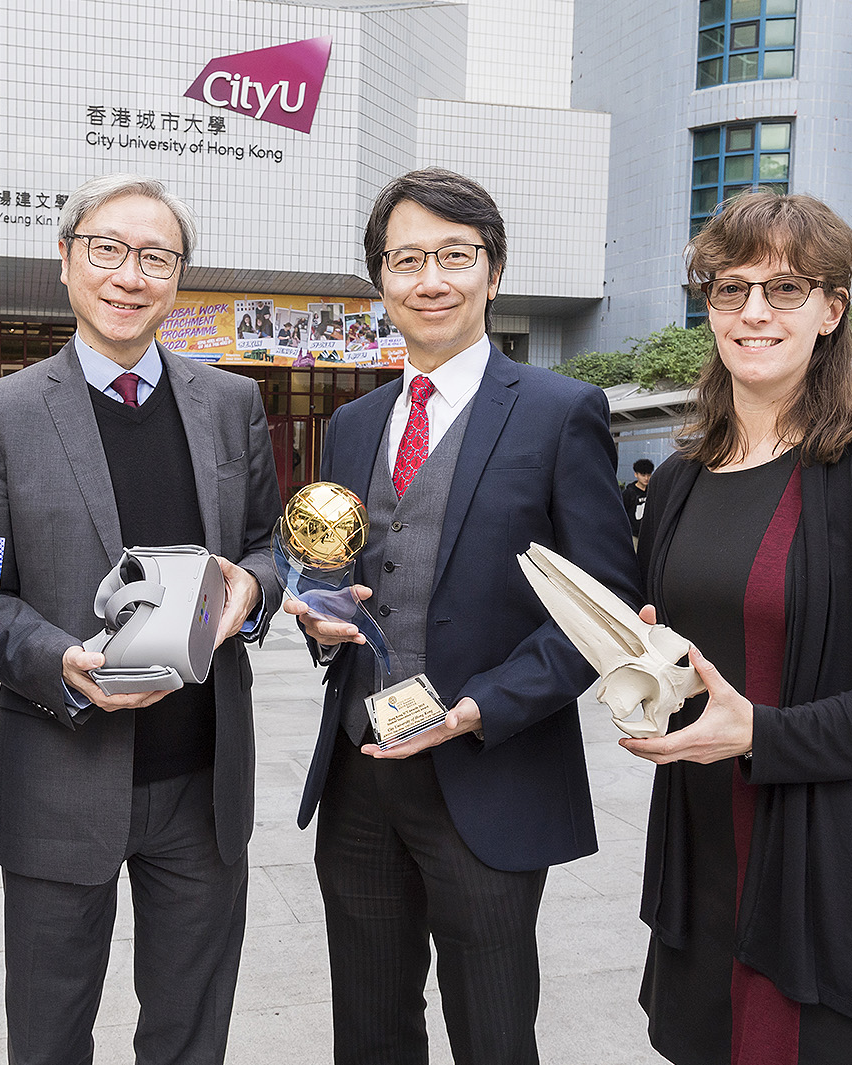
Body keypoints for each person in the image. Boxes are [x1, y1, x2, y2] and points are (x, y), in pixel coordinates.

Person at [286, 167, 641, 1064]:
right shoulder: (355, 422)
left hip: (491, 768)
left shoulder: (562, 412)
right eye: (407, 259)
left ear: (493, 271)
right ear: (381, 282)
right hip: (361, 772)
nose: (430, 278)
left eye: (454, 255)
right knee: (367, 1025)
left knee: (491, 1029)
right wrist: (315, 611)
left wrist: (485, 705)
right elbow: (337, 571)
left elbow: (602, 610)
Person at [624, 191, 852, 1064]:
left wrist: (765, 734)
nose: (752, 311)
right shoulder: (679, 478)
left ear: (831, 309)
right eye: (729, 287)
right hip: (702, 842)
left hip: (831, 860)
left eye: (785, 289)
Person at [0, 174, 282, 1065]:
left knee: (189, 1033)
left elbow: (265, 545)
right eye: (108, 249)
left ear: (179, 277)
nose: (130, 275)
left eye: (156, 257)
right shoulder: (1, 413)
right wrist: (57, 658)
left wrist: (250, 593)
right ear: (65, 260)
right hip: (63, 774)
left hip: (203, 779)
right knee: (50, 1036)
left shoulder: (230, 402)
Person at [622, 457, 654, 536]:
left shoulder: (652, 491)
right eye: (643, 475)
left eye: (649, 475)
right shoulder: (629, 493)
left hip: (648, 534)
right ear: (636, 474)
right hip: (633, 534)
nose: (646, 478)